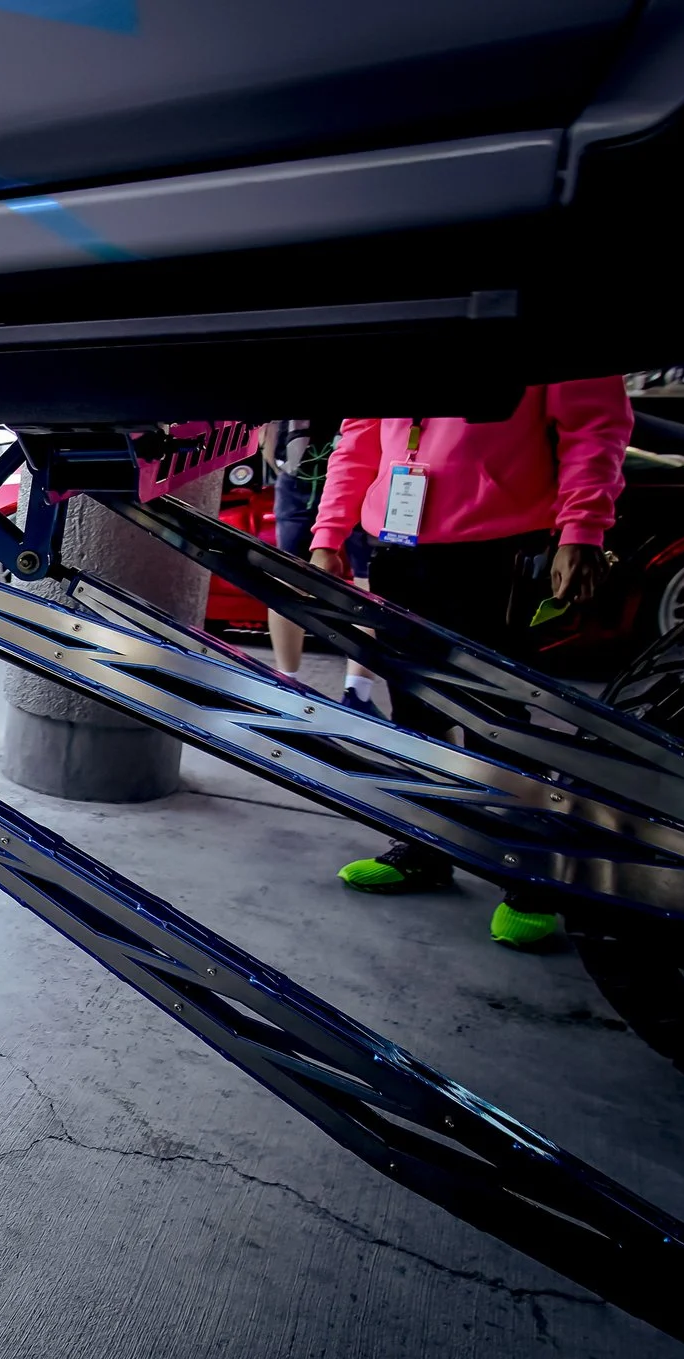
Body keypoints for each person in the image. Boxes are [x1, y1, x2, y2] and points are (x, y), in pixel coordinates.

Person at [307, 380, 631, 949]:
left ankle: (527, 878)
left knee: (500, 723)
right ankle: (424, 849)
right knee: (414, 712)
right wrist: (329, 533)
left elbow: (594, 426)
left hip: (499, 551)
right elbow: (358, 435)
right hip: (399, 548)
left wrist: (582, 527)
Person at [263, 419, 378, 708]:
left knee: (293, 576)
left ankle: (292, 685)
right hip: (328, 464)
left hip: (315, 462)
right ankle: (353, 693)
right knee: (364, 582)